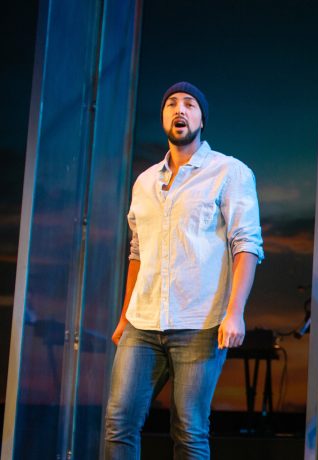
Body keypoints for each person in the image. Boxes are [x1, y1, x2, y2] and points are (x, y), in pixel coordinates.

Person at [104, 81, 264, 459]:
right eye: (172, 103)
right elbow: (138, 251)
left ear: (201, 118)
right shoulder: (145, 182)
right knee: (118, 422)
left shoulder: (230, 171)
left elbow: (247, 245)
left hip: (199, 323)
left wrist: (235, 312)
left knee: (189, 429)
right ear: (163, 117)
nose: (180, 109)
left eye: (190, 104)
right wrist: (126, 315)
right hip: (143, 324)